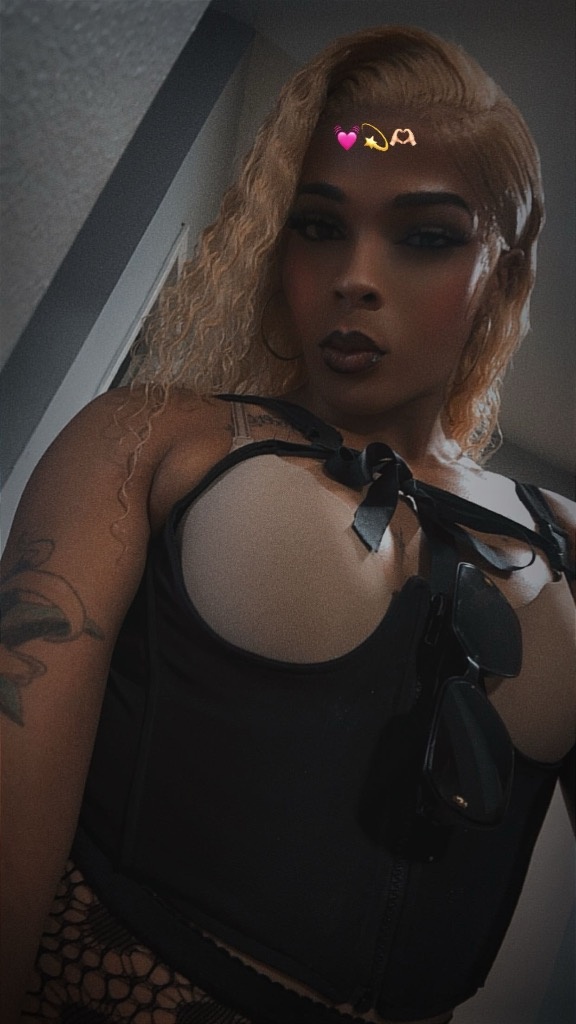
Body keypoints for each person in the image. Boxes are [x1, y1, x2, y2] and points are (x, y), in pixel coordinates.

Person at [1, 24, 574, 1024]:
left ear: (505, 273)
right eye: (318, 224)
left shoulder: (563, 543)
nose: (355, 275)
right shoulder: (150, 439)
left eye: (425, 235)